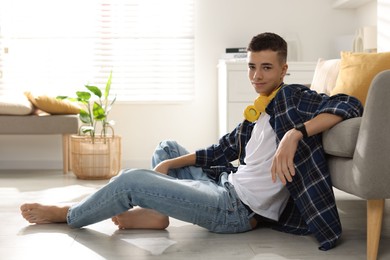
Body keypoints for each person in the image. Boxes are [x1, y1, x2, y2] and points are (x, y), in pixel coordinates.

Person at [20, 32, 363, 251]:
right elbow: (221, 150)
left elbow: (349, 103)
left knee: (131, 180)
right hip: (226, 184)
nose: (257, 77)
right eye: (252, 67)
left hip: (235, 211)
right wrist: (170, 164)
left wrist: (294, 133)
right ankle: (156, 214)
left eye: (267, 68)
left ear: (284, 70)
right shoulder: (258, 111)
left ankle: (69, 214)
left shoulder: (292, 97)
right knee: (168, 148)